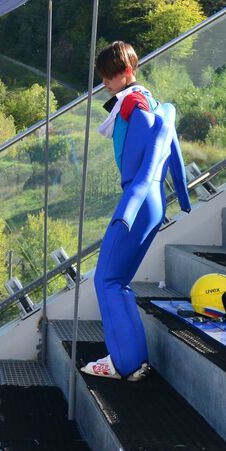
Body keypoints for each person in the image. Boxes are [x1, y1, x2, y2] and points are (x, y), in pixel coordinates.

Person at [81, 41, 191, 381]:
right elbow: (172, 147)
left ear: (127, 72)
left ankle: (124, 362)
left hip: (138, 201)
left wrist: (128, 207)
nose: (105, 83)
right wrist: (181, 192)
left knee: (106, 280)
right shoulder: (155, 103)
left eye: (109, 77)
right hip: (151, 201)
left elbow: (155, 148)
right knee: (118, 281)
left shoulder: (134, 104)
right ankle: (131, 359)